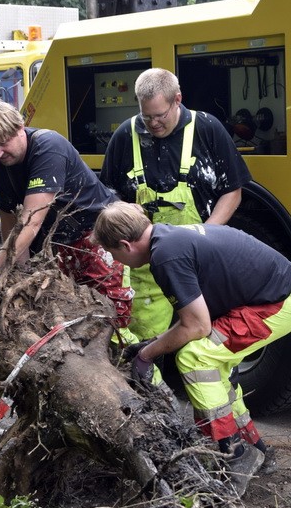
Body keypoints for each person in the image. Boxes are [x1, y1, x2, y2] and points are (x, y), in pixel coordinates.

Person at [92, 202, 291, 495]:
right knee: (214, 365)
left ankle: (234, 458)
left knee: (196, 359)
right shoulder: (167, 238)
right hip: (277, 293)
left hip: (276, 303)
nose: (117, 261)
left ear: (125, 245)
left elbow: (196, 326)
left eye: (113, 254)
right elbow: (192, 320)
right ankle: (255, 448)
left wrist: (147, 355)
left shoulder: (165, 257)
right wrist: (153, 344)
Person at [0, 98, 134, 337]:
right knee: (69, 319)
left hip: (96, 239)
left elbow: (32, 220)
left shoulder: (48, 146)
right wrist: (18, 274)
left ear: (19, 128)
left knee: (111, 317)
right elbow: (10, 223)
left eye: (3, 143)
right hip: (60, 247)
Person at [99, 68, 252, 341]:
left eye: (160, 115)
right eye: (147, 116)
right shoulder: (125, 135)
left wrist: (205, 236)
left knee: (205, 339)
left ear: (177, 99)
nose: (154, 123)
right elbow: (109, 199)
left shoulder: (207, 129)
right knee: (145, 346)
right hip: (145, 270)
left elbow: (233, 190)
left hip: (198, 262)